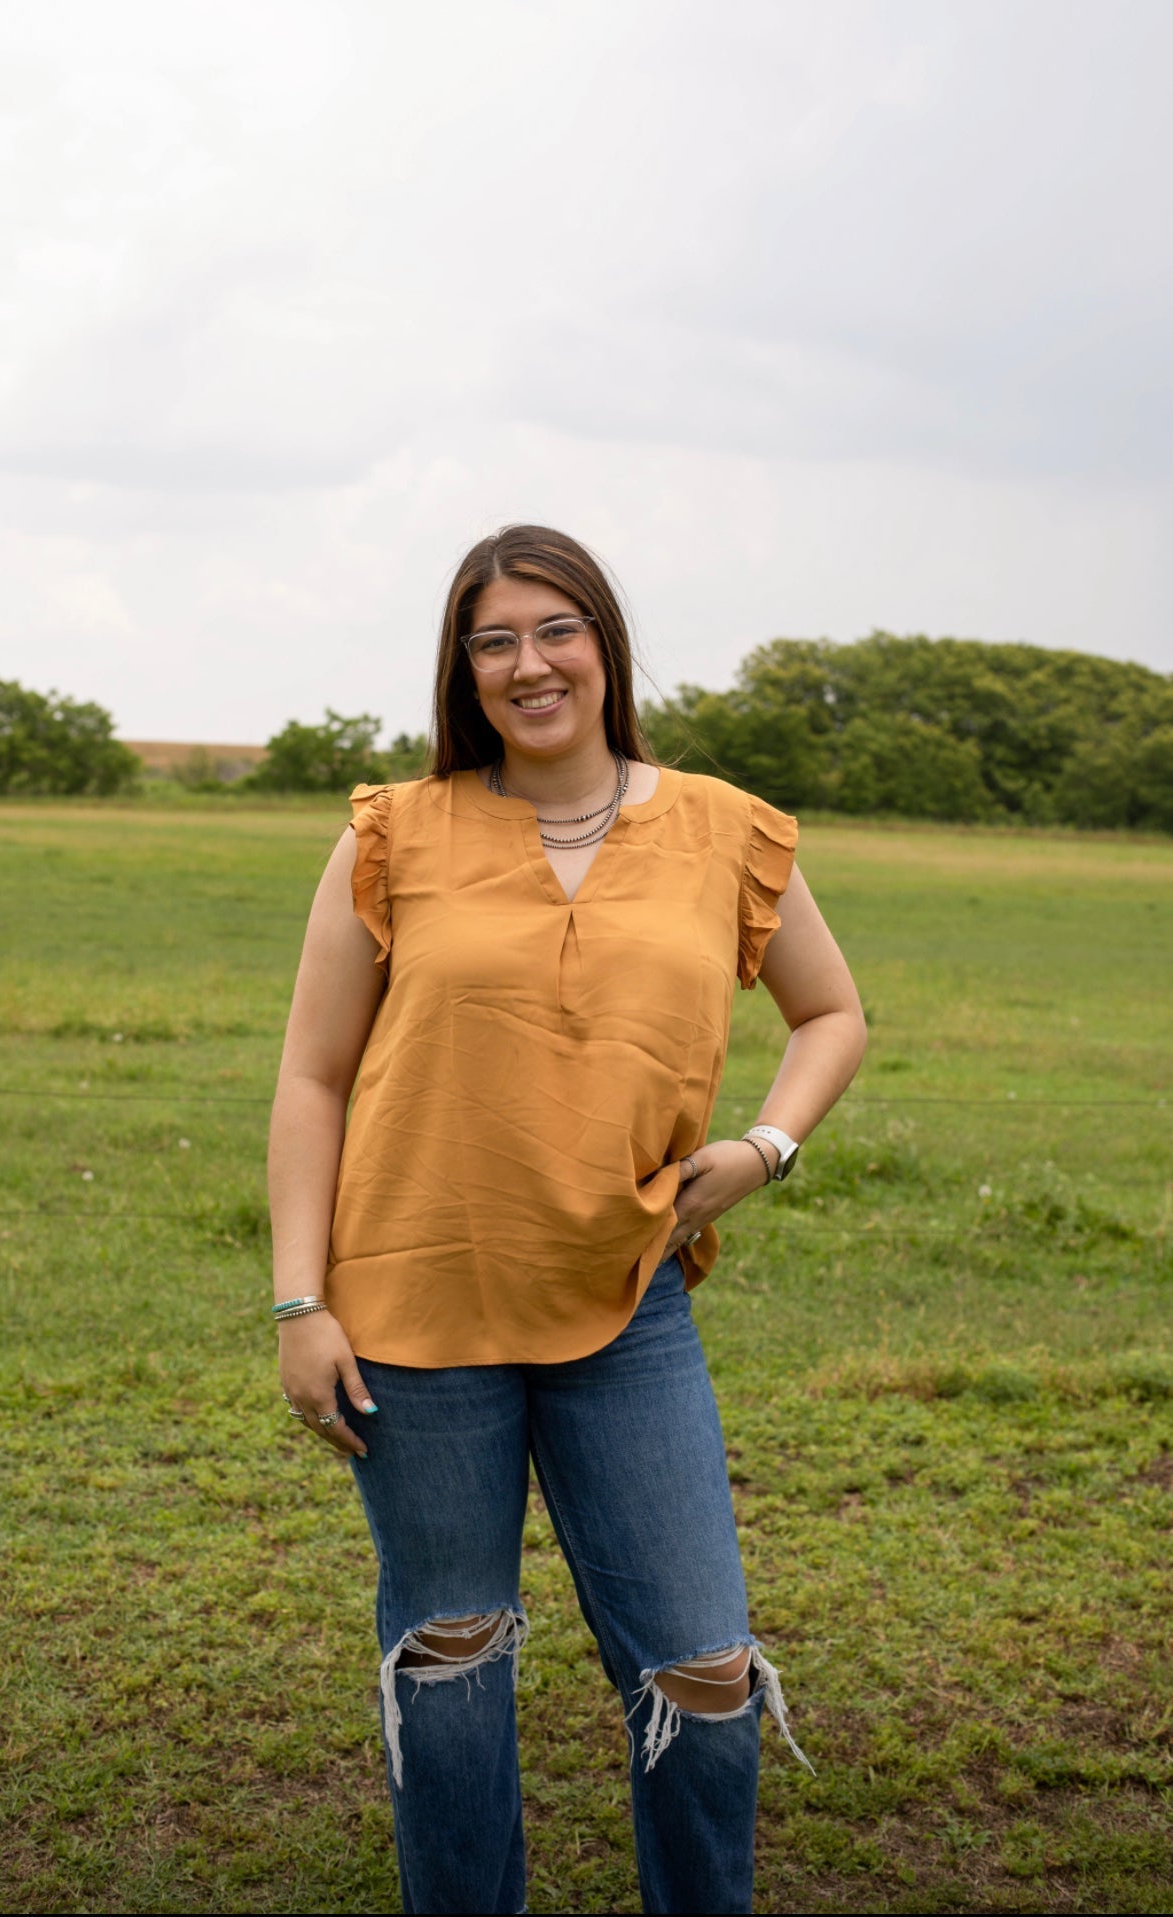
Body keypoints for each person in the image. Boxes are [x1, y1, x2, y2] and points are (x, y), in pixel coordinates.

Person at [268, 524, 866, 1915]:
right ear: (462, 669)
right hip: (415, 1312)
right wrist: (302, 1302)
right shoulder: (393, 831)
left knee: (703, 1675)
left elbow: (832, 1011)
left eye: (555, 629)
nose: (528, 663)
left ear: (604, 643)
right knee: (455, 1666)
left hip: (629, 1302)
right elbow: (310, 1076)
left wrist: (765, 1146)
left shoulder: (723, 824)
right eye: (494, 640)